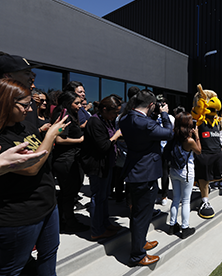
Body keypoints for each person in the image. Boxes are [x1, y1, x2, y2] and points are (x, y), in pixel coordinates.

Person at [0, 78, 69, 275]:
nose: (29, 110)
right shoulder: (0, 137)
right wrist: (51, 135)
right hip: (19, 213)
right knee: (11, 268)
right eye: (25, 105)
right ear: (5, 102)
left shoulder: (25, 127)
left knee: (49, 254)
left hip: (47, 204)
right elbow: (31, 168)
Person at [119, 89, 173, 267]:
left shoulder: (125, 118)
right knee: (141, 216)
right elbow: (168, 133)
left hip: (135, 171)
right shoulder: (145, 124)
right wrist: (164, 114)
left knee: (139, 214)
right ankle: (137, 255)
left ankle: (140, 242)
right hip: (145, 174)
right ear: (151, 105)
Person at [81, 95, 123, 240]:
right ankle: (97, 230)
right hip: (97, 166)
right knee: (98, 198)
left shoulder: (106, 120)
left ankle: (105, 223)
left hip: (108, 165)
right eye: (114, 113)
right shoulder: (94, 122)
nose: (115, 116)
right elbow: (103, 146)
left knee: (104, 197)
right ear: (104, 110)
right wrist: (116, 136)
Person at [51, 91, 88, 233]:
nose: (80, 106)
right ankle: (68, 223)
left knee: (71, 191)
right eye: (76, 103)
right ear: (67, 103)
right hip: (65, 159)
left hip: (72, 158)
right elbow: (59, 139)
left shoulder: (70, 114)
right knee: (68, 192)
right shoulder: (64, 115)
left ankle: (63, 220)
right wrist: (80, 140)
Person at [165, 112, 201, 239]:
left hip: (174, 171)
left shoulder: (173, 136)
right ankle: (185, 228)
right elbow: (199, 151)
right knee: (185, 201)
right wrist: (197, 136)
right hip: (186, 172)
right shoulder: (189, 140)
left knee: (175, 199)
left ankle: (172, 225)